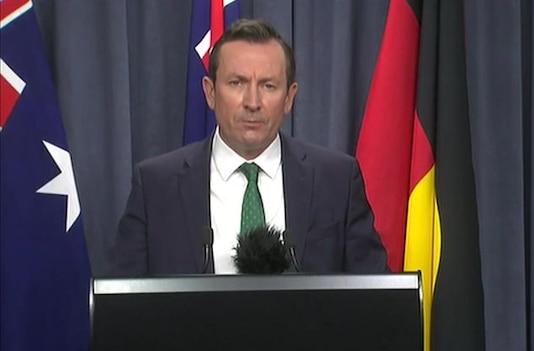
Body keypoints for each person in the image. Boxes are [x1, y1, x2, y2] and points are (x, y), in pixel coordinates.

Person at [110, 19, 387, 275]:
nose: (252, 102)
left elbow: (373, 298)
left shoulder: (337, 180)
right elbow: (122, 305)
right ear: (210, 92)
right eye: (237, 83)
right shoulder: (157, 186)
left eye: (268, 85)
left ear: (289, 98)